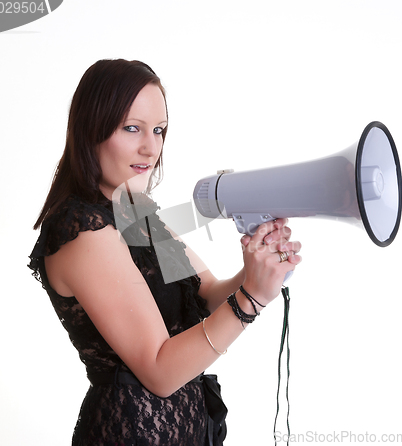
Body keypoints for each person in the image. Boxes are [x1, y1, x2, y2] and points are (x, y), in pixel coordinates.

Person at [28, 59, 302, 446]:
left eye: (158, 130)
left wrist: (257, 268)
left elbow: (206, 294)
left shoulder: (136, 212)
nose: (150, 146)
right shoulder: (82, 233)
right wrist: (251, 299)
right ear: (91, 129)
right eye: (132, 128)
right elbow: (160, 370)